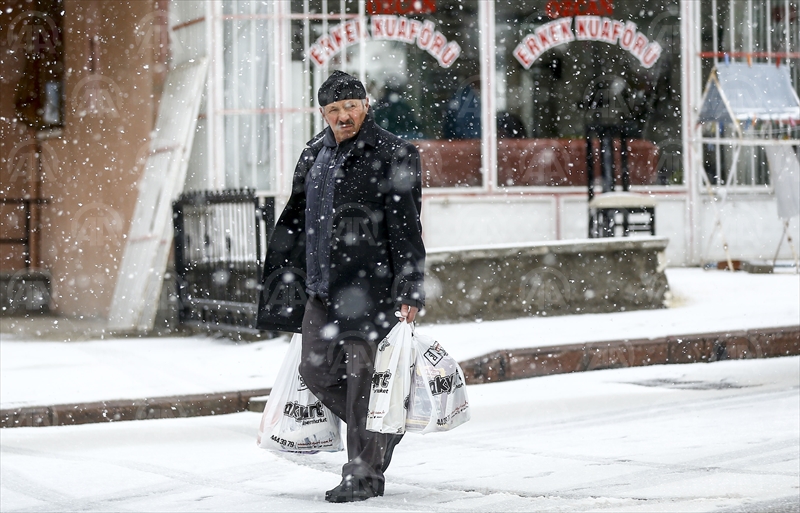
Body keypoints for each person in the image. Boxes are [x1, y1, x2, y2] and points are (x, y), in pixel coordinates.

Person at [256, 70, 426, 503]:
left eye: (350, 106)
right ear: (322, 113)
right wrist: (286, 281)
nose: (343, 116)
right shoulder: (315, 152)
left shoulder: (393, 151)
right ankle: (380, 431)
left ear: (365, 104)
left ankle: (363, 474)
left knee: (360, 381)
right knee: (315, 371)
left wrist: (410, 287)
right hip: (320, 285)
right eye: (333, 110)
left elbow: (406, 227)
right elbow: (296, 218)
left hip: (371, 286)